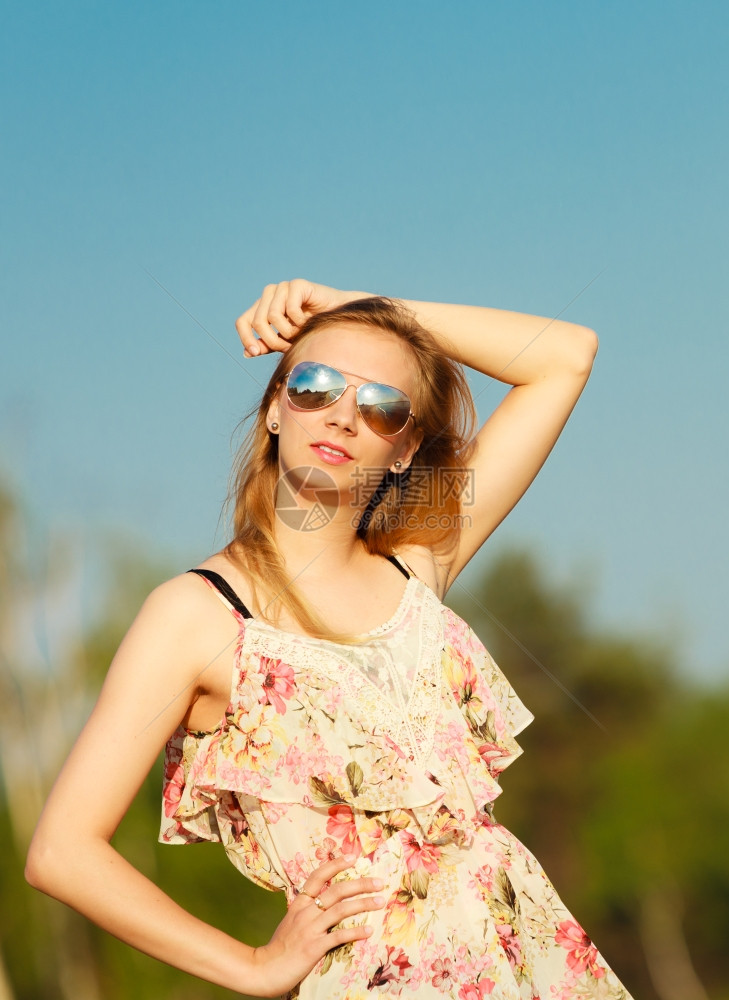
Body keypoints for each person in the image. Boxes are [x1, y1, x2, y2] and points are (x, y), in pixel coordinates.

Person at [26, 279, 633, 999]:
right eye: (314, 386)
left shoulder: (419, 565)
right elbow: (62, 851)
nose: (343, 416)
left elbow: (565, 355)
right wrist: (249, 965)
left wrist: (356, 305)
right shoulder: (197, 614)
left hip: (540, 974)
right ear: (276, 410)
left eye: (382, 407)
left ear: (405, 450)